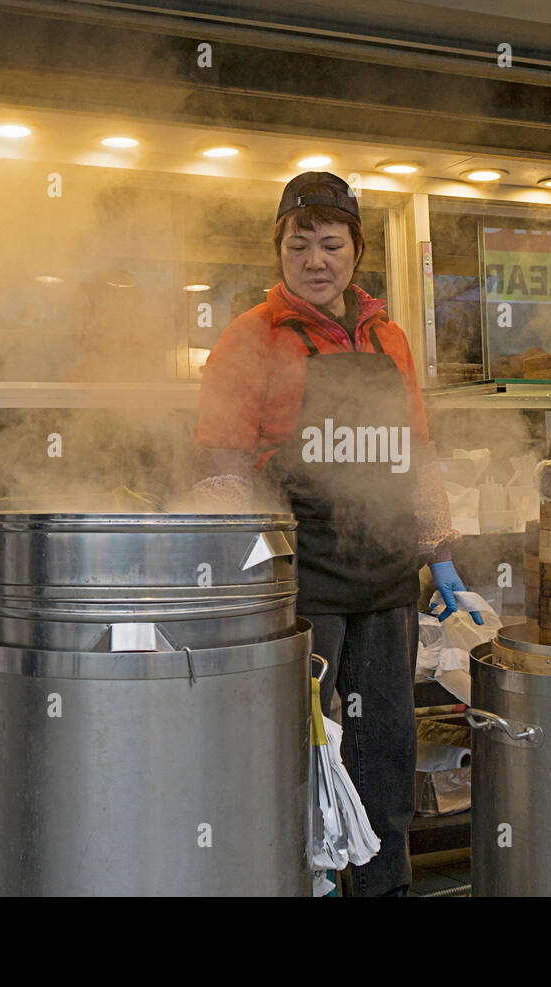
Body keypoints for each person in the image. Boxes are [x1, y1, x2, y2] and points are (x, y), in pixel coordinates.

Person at [192, 172, 480, 896]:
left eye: (330, 243)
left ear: (355, 250)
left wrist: (440, 558)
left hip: (385, 581)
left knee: (385, 751)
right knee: (302, 753)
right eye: (299, 244)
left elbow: (416, 453)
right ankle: (300, 884)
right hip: (302, 585)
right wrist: (244, 571)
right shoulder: (250, 338)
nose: (315, 259)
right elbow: (223, 465)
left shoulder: (389, 336)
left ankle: (386, 888)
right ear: (279, 251)